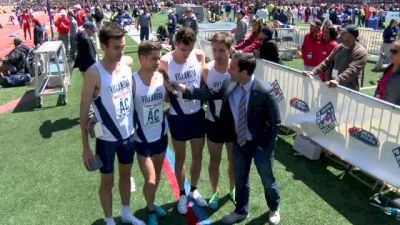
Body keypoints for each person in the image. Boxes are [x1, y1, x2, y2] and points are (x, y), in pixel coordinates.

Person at [172, 52, 281, 225]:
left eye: (232, 68)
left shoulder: (264, 91)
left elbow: (275, 123)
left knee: (267, 179)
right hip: (240, 142)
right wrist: (184, 89)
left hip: (260, 145)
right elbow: (211, 94)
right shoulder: (230, 82)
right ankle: (241, 211)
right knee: (241, 179)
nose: (228, 70)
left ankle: (274, 207)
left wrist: (264, 145)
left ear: (244, 72)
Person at [79, 21, 145, 225]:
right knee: (107, 182)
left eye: (123, 47)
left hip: (128, 135)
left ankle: (126, 212)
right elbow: (83, 111)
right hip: (106, 139)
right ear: (103, 46)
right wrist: (86, 148)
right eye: (116, 48)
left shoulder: (126, 63)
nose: (121, 51)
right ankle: (109, 220)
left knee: (126, 176)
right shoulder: (94, 73)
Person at [158, 27, 207, 214]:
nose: (187, 53)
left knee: (198, 155)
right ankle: (182, 194)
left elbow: (204, 83)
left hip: (196, 114)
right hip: (177, 116)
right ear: (175, 43)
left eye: (190, 49)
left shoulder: (199, 56)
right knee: (180, 157)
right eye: (183, 49)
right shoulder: (165, 61)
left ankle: (194, 190)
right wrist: (165, 87)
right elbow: (163, 92)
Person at [133, 41, 168, 225]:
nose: (158, 61)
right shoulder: (133, 81)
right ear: (142, 58)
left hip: (161, 136)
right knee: (151, 179)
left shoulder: (162, 77)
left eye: (159, 57)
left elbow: (168, 99)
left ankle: (151, 203)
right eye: (154, 58)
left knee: (158, 176)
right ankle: (151, 210)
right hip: (143, 140)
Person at [200, 32, 236, 209]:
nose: (217, 54)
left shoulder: (236, 69)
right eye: (214, 50)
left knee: (233, 160)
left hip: (233, 125)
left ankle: (233, 189)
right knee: (214, 161)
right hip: (213, 123)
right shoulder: (206, 69)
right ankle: (215, 192)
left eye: (222, 50)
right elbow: (199, 94)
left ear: (230, 50)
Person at [304, 24, 368, 91]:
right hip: (331, 85)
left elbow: (352, 70)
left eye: (344, 34)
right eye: (341, 33)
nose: (340, 36)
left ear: (352, 37)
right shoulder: (339, 47)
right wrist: (313, 71)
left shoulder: (360, 52)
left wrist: (337, 80)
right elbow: (327, 61)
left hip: (347, 91)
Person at [374, 41, 400, 105]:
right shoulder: (389, 67)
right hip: (379, 105)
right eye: (391, 50)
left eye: (394, 51)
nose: (391, 53)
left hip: (391, 112)